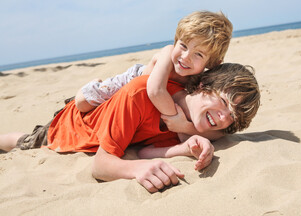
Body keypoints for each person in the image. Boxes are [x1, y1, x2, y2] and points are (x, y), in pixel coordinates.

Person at [0, 63, 260, 193]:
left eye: (232, 117)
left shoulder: (198, 124)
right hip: (70, 129)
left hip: (115, 131)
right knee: (23, 141)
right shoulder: (141, 94)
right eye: (224, 102)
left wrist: (185, 146)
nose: (223, 117)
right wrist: (137, 169)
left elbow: (140, 150)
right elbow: (101, 166)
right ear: (203, 86)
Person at [75, 10, 233, 139]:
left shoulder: (199, 80)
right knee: (82, 103)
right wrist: (176, 120)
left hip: (145, 108)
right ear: (176, 41)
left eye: (198, 54)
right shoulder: (168, 53)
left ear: (212, 64)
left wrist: (185, 127)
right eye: (183, 45)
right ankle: (96, 83)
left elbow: (206, 132)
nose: (185, 57)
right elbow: (156, 90)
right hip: (130, 82)